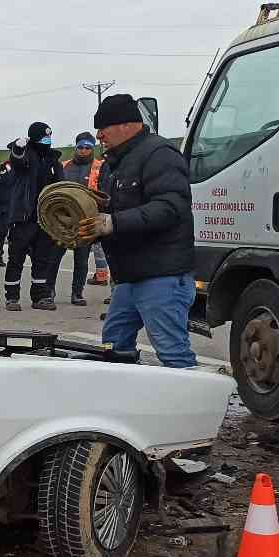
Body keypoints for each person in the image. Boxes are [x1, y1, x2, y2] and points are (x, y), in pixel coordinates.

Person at [75, 94, 195, 366]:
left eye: (103, 127)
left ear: (127, 125)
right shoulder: (113, 164)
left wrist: (112, 223)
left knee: (172, 353)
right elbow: (111, 209)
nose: (99, 135)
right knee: (114, 346)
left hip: (161, 276)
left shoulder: (159, 154)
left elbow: (169, 207)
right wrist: (89, 226)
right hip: (129, 278)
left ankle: (192, 406)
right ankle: (123, 404)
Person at [3, 122, 65, 311]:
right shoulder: (25, 154)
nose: (47, 141)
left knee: (42, 259)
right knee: (16, 258)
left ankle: (40, 297)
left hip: (45, 218)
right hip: (24, 217)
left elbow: (60, 185)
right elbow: (17, 160)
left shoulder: (53, 159)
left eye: (49, 138)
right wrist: (18, 147)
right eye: (44, 138)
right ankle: (12, 298)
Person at [62, 131, 108, 306]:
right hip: (64, 220)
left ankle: (77, 293)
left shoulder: (100, 166)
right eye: (80, 147)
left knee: (81, 260)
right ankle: (47, 290)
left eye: (87, 147)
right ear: (75, 147)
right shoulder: (64, 165)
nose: (83, 150)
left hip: (87, 220)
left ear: (92, 148)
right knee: (54, 256)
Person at [0, 159, 13, 267]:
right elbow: (8, 180)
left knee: (15, 234)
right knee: (1, 233)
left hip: (17, 206)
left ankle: (14, 257)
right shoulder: (5, 166)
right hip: (6, 206)